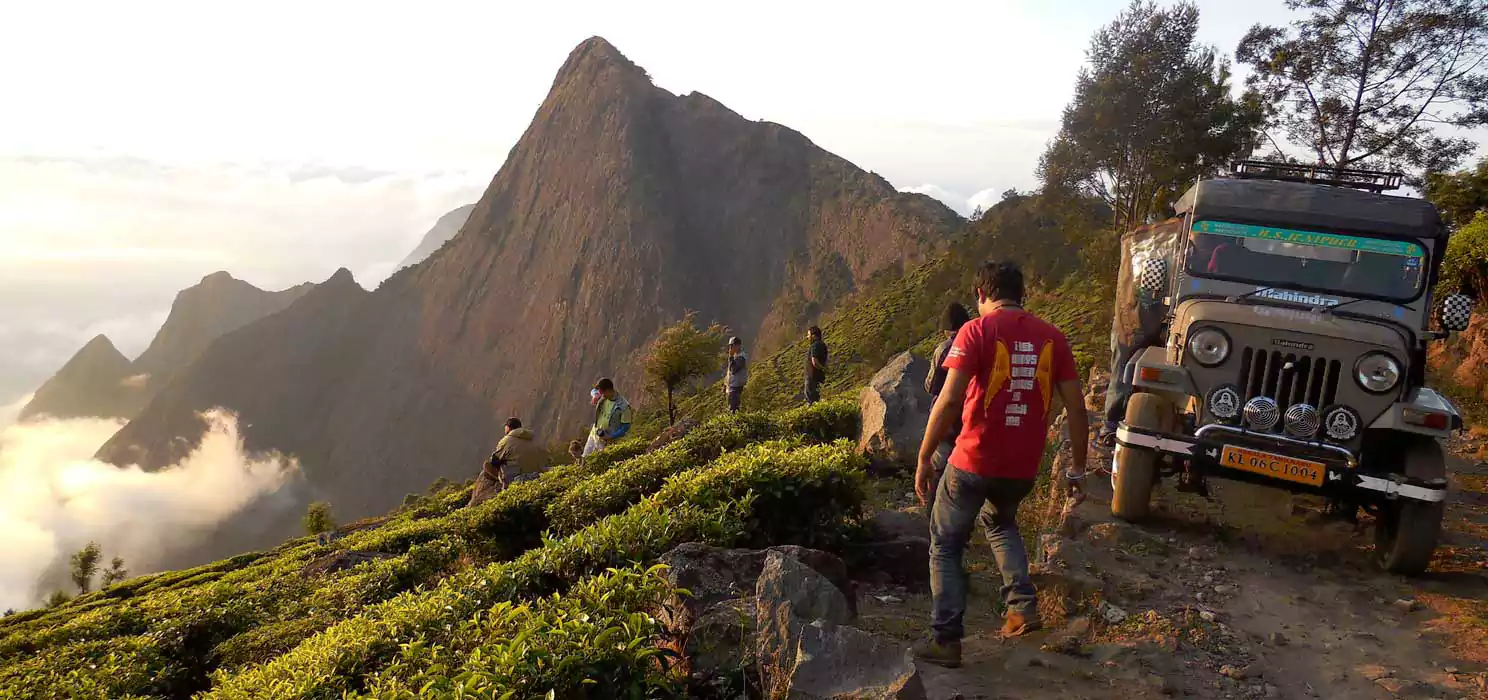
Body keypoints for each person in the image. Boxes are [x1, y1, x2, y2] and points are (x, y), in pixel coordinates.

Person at [912, 260, 1088, 669]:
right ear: (1021, 293)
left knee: (945, 543)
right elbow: (1077, 409)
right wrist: (1077, 468)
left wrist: (924, 456)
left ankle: (946, 640)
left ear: (980, 295)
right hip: (1022, 467)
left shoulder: (976, 331)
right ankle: (1022, 609)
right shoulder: (1054, 337)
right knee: (1000, 524)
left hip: (972, 460)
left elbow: (950, 400)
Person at [923, 302, 972, 512]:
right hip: (971, 416)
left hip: (947, 418)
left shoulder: (944, 349)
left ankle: (932, 515)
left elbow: (931, 386)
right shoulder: (978, 343)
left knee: (938, 468)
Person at [468, 417, 544, 507]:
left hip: (514, 477)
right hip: (536, 473)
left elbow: (494, 461)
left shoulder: (507, 440)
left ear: (508, 427)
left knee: (487, 466)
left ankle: (477, 499)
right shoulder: (533, 438)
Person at [584, 377, 633, 457]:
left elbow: (626, 426)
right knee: (585, 459)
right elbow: (593, 390)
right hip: (593, 436)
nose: (600, 395)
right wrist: (595, 396)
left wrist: (611, 436)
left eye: (601, 392)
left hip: (606, 442)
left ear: (608, 390)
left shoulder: (623, 406)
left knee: (599, 463)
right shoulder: (603, 396)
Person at [804, 326, 828, 404]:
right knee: (816, 399)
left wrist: (821, 368)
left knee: (811, 400)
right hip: (818, 377)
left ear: (813, 335)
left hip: (812, 377)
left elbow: (814, 361)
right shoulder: (822, 345)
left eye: (808, 335)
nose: (807, 337)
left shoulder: (815, 345)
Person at [725, 336, 748, 413]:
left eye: (732, 345)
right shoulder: (736, 356)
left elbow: (733, 370)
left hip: (736, 387)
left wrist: (730, 356)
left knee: (733, 409)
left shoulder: (741, 357)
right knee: (731, 408)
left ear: (738, 345)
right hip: (732, 386)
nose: (731, 348)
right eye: (730, 346)